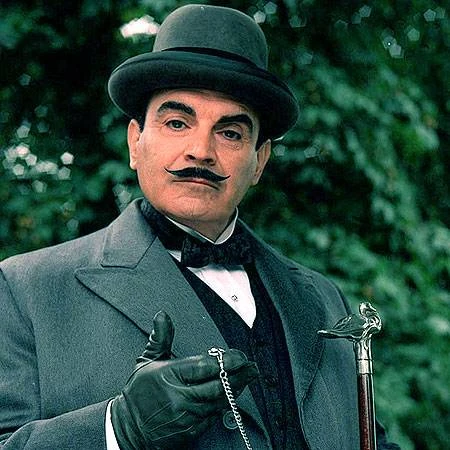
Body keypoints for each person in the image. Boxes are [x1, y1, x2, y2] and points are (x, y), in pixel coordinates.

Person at [0, 4, 399, 450]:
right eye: (177, 122)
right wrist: (117, 428)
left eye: (230, 133)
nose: (201, 151)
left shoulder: (324, 300)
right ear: (135, 142)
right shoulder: (25, 289)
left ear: (259, 161)